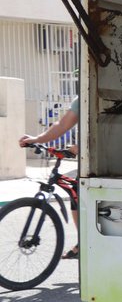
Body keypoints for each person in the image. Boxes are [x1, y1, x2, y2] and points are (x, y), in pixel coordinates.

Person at [18, 96, 80, 258]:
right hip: (88, 156)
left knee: (80, 192)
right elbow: (62, 125)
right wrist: (37, 139)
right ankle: (84, 241)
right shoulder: (81, 98)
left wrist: (83, 146)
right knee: (76, 193)